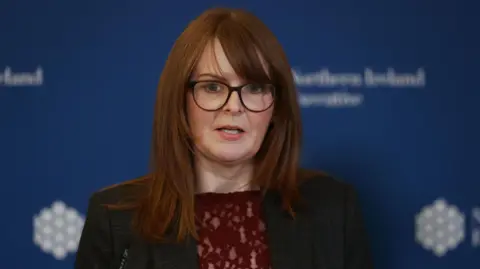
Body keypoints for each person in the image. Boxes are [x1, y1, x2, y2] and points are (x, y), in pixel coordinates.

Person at [75, 7, 374, 269]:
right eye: (213, 87)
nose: (234, 106)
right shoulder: (114, 221)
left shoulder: (334, 210)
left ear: (277, 108)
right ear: (180, 102)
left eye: (255, 88)